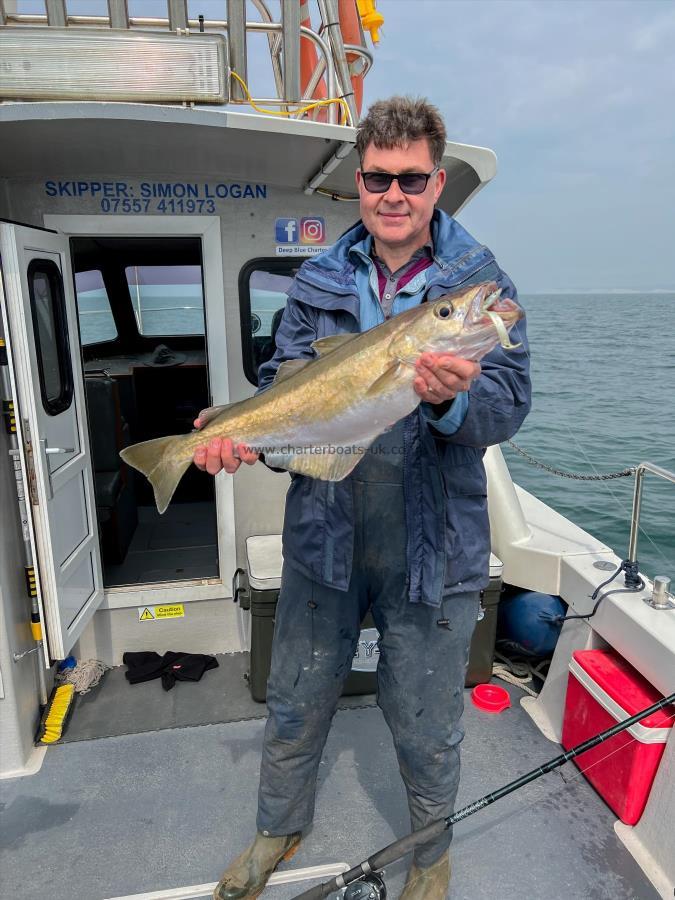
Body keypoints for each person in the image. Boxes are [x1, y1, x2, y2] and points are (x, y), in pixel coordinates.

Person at [195, 97, 531, 900]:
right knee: (296, 699)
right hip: (327, 529)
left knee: (424, 718)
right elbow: (290, 395)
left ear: (436, 183)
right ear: (358, 183)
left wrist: (454, 403)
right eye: (377, 178)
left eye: (410, 180)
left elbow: (511, 403)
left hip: (433, 543)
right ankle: (277, 829)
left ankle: (429, 851)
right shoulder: (314, 281)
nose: (393, 194)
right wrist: (249, 440)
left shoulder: (478, 284)